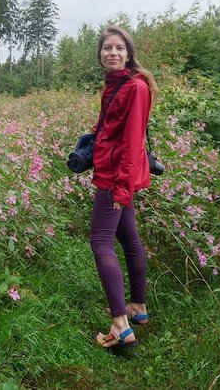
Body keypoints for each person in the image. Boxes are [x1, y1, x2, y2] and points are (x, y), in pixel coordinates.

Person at [90, 26, 158, 350]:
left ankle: (120, 324)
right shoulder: (115, 84)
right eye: (107, 48)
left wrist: (120, 189)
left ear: (129, 53)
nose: (112, 53)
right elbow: (110, 125)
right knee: (128, 235)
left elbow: (133, 143)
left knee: (101, 240)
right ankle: (138, 308)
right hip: (116, 171)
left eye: (119, 48)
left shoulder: (135, 87)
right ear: (101, 54)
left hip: (117, 176)